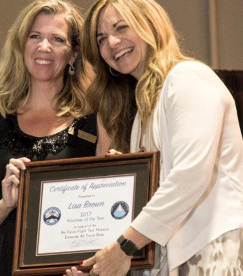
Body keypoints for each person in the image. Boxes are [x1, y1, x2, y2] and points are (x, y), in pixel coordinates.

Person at [64, 0, 243, 275]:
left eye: (121, 27)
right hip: (171, 257)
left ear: (150, 25)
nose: (112, 42)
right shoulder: (144, 108)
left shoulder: (188, 78)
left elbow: (191, 174)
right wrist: (132, 178)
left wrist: (124, 247)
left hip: (208, 251)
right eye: (101, 39)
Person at [0, 0, 110, 275]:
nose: (44, 47)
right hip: (8, 265)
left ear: (73, 54)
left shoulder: (96, 120)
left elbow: (110, 208)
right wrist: (5, 205)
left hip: (75, 269)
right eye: (35, 36)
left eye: (57, 39)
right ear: (22, 46)